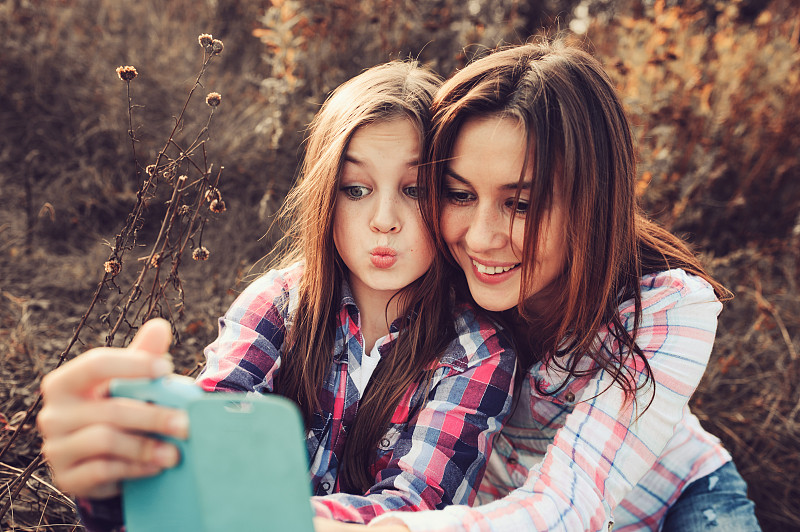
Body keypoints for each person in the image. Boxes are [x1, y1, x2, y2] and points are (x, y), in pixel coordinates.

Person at [36, 61, 517, 530]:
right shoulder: (278, 303)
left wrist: (261, 511)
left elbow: (415, 510)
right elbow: (208, 442)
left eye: (413, 189)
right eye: (355, 189)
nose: (384, 219)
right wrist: (123, 471)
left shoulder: (477, 352)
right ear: (325, 195)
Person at [319, 39, 761, 531]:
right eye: (460, 194)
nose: (481, 238)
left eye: (521, 204)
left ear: (590, 201)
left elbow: (571, 501)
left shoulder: (668, 309)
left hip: (677, 500)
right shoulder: (430, 278)